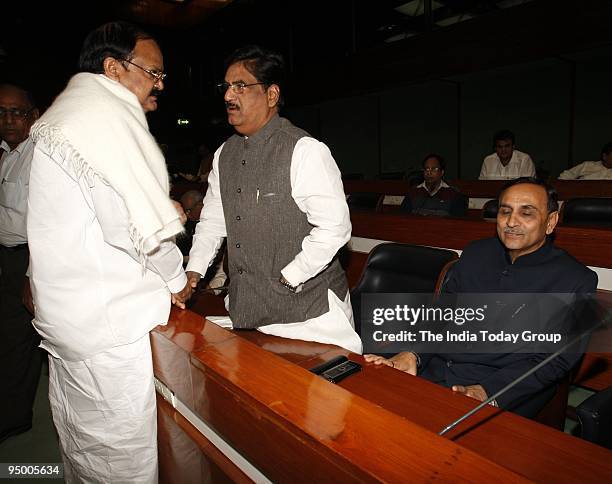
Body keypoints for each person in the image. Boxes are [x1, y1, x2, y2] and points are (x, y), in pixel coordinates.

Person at [27, 21, 191, 482]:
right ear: (114, 68)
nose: (161, 84)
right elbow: (137, 225)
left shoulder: (66, 116)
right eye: (154, 73)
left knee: (82, 442)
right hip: (108, 327)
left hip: (71, 318)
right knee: (121, 460)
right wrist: (177, 280)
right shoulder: (103, 118)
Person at [366, 178, 597, 416]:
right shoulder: (476, 252)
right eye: (505, 211)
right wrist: (413, 355)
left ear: (550, 222)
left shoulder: (575, 279)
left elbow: (553, 361)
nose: (511, 222)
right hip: (434, 365)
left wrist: (487, 391)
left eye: (526, 213)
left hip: (500, 388)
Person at [185, 45, 361, 354]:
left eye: (240, 86)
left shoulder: (305, 150)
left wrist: (289, 278)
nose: (228, 96)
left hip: (310, 318)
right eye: (226, 87)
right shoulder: (224, 154)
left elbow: (335, 229)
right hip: (248, 312)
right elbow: (213, 221)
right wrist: (194, 272)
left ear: (271, 95)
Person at [0, 83, 42, 443]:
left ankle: (13, 420)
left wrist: (31, 273)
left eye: (17, 112)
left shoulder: (39, 155)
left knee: (18, 340)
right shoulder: (3, 152)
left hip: (30, 257)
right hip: (6, 256)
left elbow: (43, 222)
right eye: (2, 112)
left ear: (34, 115)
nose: (8, 119)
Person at [399, 154, 466, 217]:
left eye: (434, 169)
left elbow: (458, 223)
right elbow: (402, 217)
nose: (429, 172)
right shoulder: (413, 193)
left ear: (441, 172)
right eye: (427, 169)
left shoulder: (454, 194)